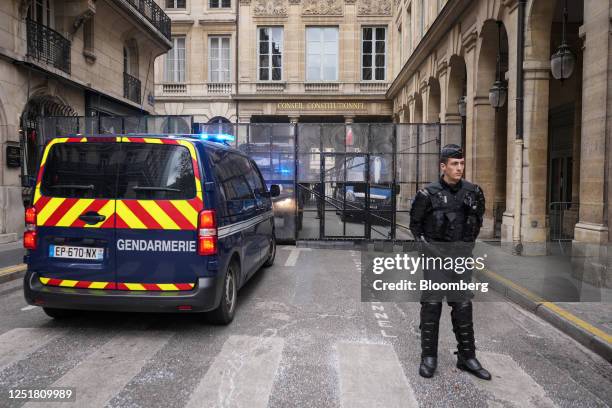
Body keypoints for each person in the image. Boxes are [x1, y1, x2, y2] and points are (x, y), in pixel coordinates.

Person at [409, 144, 491, 380]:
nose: (459, 168)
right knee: (432, 305)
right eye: (454, 164)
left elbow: (477, 222)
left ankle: (467, 356)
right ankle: (429, 356)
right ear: (443, 166)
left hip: (461, 259)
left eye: (462, 163)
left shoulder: (473, 192)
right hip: (436, 260)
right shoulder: (428, 194)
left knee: (463, 306)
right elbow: (416, 229)